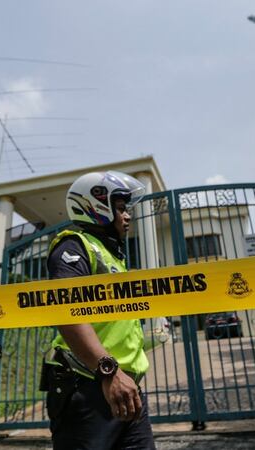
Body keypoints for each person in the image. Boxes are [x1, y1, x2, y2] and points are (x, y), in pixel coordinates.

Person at [41, 171, 156, 449]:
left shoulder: (113, 255)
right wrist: (109, 373)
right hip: (89, 384)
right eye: (120, 208)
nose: (127, 216)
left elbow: (110, 324)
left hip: (125, 386)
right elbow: (65, 312)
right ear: (97, 206)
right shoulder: (75, 245)